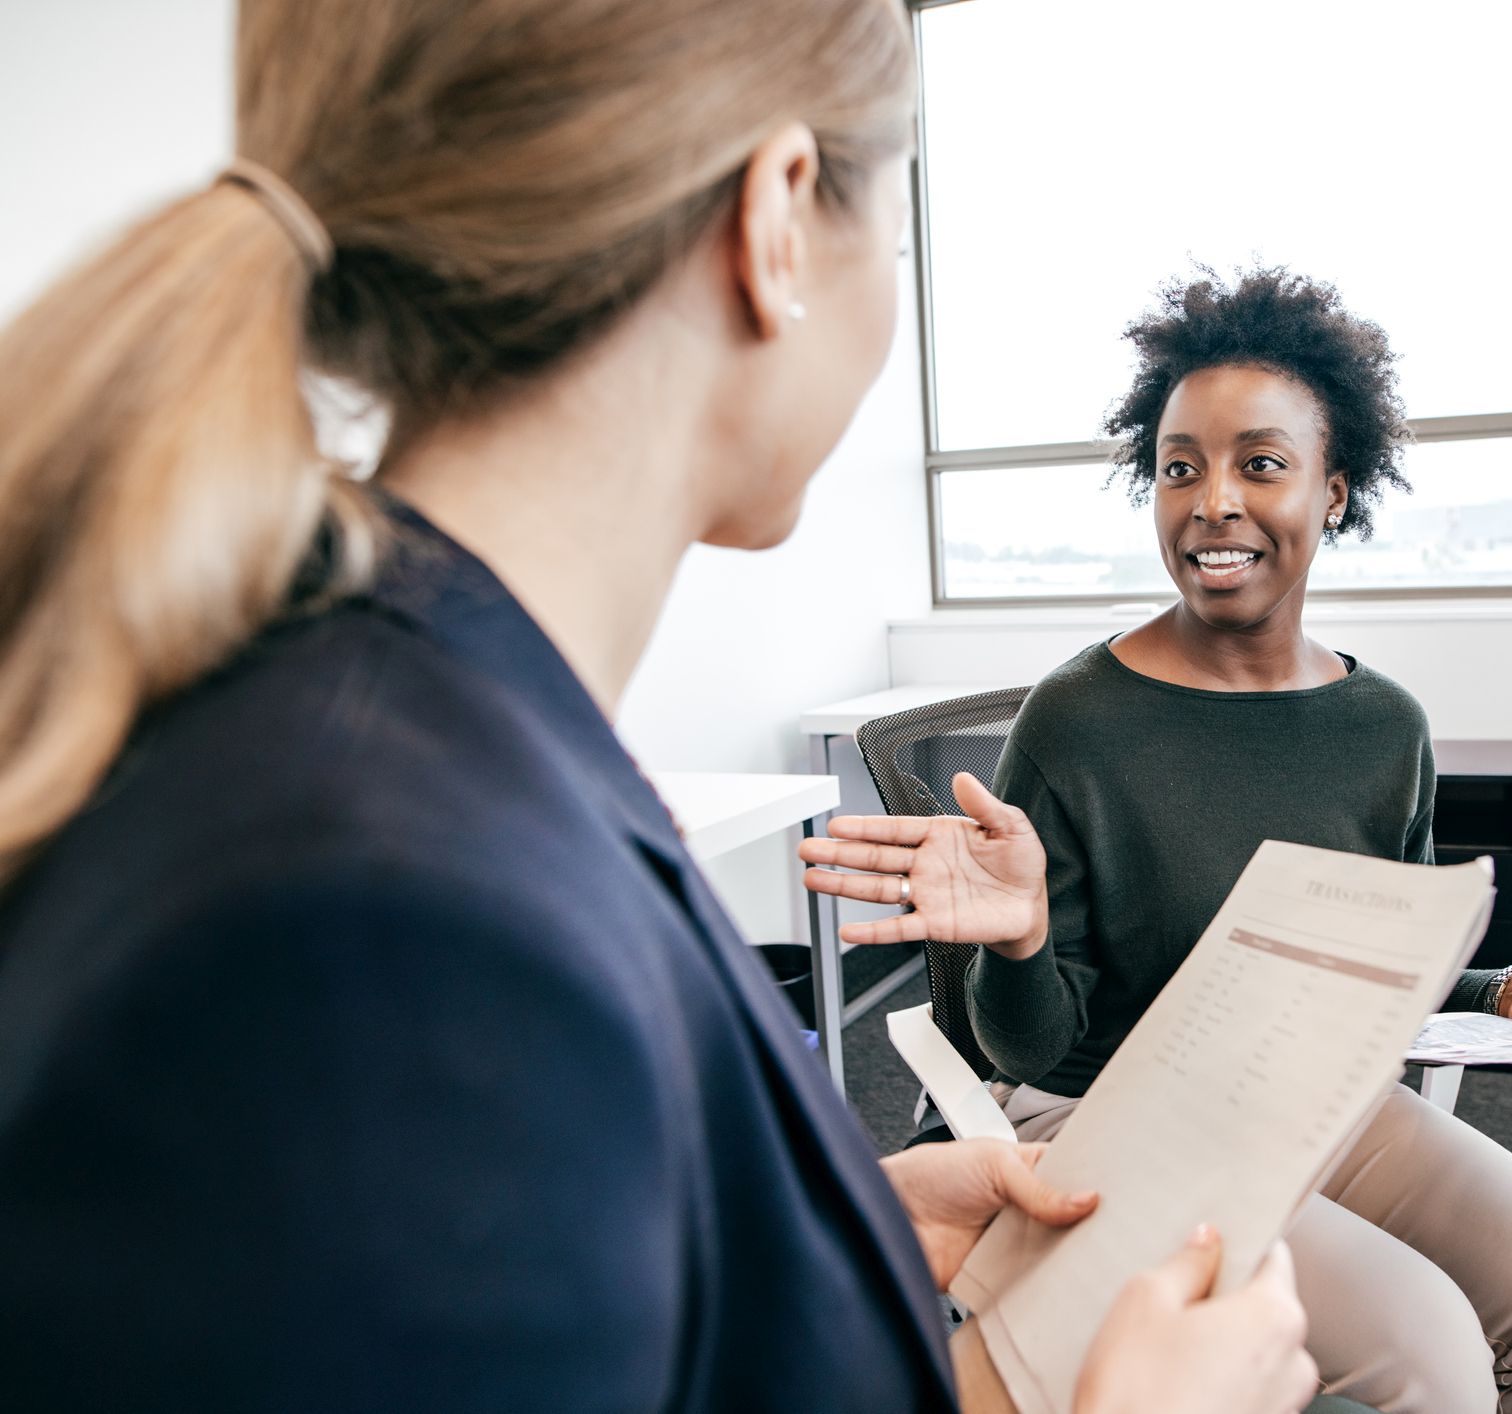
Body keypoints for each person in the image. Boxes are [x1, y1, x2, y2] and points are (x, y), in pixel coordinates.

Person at [0, 4, 1320, 1411]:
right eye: (902, 224)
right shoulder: (392, 928)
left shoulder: (418, 740)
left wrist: (830, 1235)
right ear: (780, 217)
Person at [803, 269, 1512, 1412]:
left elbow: (1360, 977)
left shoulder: (1384, 728)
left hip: (1303, 1090)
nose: (1211, 500)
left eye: (1260, 464)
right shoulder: (1078, 722)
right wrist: (1017, 943)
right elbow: (1026, 1050)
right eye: (1178, 467)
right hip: (1094, 1107)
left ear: (1334, 491)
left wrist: (1500, 986)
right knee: (1430, 1354)